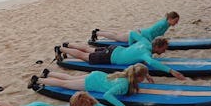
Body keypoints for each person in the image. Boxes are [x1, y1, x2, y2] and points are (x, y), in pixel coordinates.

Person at [28, 63, 150, 106]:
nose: (144, 79)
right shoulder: (124, 84)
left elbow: (136, 68)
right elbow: (108, 95)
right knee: (65, 84)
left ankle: (48, 73)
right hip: (91, 82)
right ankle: (38, 80)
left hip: (96, 75)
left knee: (71, 78)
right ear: (138, 77)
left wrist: (146, 75)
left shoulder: (128, 74)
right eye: (144, 77)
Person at [56, 35, 186, 81]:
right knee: (85, 56)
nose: (164, 51)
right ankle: (61, 49)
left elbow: (133, 34)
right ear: (159, 46)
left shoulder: (145, 42)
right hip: (111, 56)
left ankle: (68, 44)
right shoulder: (146, 53)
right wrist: (171, 71)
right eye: (164, 48)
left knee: (88, 49)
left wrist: (130, 49)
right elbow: (152, 62)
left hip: (114, 49)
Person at [91, 11, 179, 45]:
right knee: (117, 37)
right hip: (138, 34)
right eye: (176, 20)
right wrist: (149, 41)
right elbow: (152, 31)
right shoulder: (163, 24)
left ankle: (98, 31)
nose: (176, 23)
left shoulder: (166, 24)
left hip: (140, 32)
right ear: (170, 19)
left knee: (118, 34)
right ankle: (97, 33)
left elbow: (158, 34)